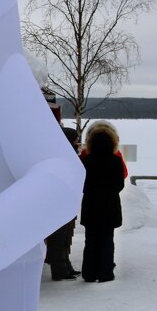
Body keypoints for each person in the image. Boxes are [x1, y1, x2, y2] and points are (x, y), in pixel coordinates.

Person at [80, 121, 125, 283]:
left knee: (91, 240)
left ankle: (89, 273)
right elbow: (120, 184)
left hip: (91, 205)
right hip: (110, 205)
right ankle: (105, 272)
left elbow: (81, 184)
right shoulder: (116, 161)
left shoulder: (87, 161)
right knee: (107, 240)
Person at [44, 126, 81, 280]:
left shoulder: (66, 155)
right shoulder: (63, 157)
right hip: (59, 202)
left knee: (64, 237)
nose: (79, 144)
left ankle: (66, 267)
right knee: (58, 239)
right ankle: (59, 270)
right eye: (76, 141)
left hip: (67, 201)